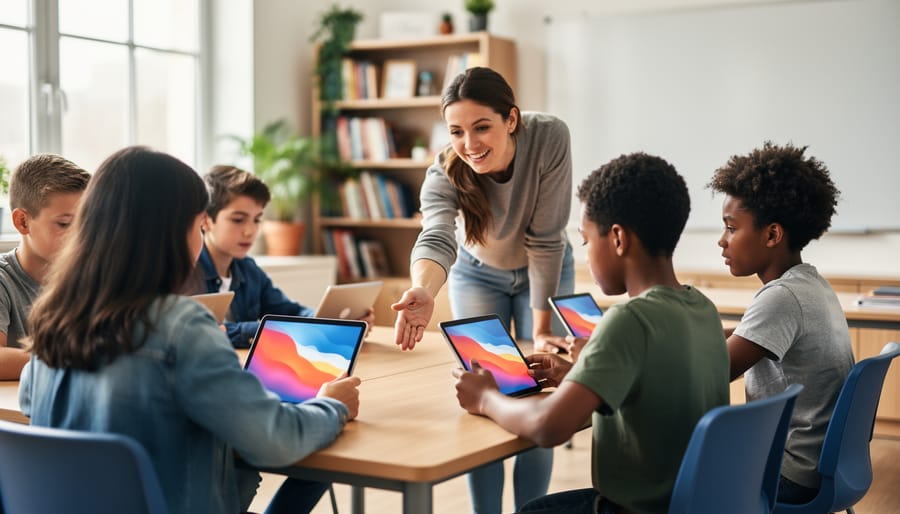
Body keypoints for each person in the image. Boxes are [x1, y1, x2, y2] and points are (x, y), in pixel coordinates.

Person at [18, 146, 361, 514]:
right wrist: (332, 405)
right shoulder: (179, 326)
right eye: (199, 226)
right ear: (171, 233)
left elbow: (30, 405)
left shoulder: (54, 317)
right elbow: (275, 440)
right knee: (319, 456)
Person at [454, 152, 730, 514]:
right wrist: (578, 377)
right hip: (693, 503)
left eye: (585, 241)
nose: (585, 254)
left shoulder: (629, 320)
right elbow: (654, 391)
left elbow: (547, 428)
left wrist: (486, 398)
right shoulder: (703, 309)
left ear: (617, 238)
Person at [390, 66, 575, 513]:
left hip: (545, 268)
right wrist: (423, 288)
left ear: (511, 119)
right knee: (484, 394)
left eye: (482, 127)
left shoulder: (549, 137)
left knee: (534, 392)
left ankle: (532, 509)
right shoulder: (444, 172)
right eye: (456, 131)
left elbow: (546, 239)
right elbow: (436, 237)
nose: (469, 144)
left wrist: (544, 328)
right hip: (478, 273)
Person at [708, 141, 854, 504]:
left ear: (772, 234)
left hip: (787, 472)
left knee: (671, 470)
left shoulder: (780, 298)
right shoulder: (810, 285)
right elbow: (745, 337)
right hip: (822, 464)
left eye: (731, 228)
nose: (721, 241)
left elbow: (714, 369)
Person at [191, 165, 374, 348]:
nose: (250, 231)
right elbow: (201, 331)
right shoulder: (185, 274)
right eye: (238, 220)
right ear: (206, 220)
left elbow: (289, 312)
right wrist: (271, 329)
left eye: (256, 219)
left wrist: (330, 321)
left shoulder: (248, 270)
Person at [0, 154, 89, 380]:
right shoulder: (4, 280)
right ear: (22, 222)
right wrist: (71, 360)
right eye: (65, 224)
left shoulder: (88, 279)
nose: (79, 235)